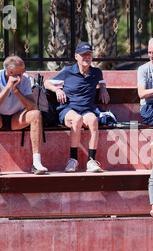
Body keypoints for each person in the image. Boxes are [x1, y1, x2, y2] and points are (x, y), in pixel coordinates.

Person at [44, 42, 110, 172]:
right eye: (83, 55)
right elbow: (46, 83)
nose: (86, 57)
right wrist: (57, 90)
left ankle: (91, 161)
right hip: (68, 109)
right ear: (76, 57)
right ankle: (73, 160)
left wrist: (103, 89)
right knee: (77, 119)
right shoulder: (68, 71)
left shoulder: (96, 72)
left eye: (89, 54)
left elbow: (101, 81)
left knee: (93, 120)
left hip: (87, 109)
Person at [0, 55, 47, 175]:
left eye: (23, 72)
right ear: (9, 71)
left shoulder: (26, 79)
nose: (22, 75)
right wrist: (8, 87)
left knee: (36, 114)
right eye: (19, 73)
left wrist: (17, 91)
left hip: (16, 117)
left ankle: (36, 162)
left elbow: (32, 106)